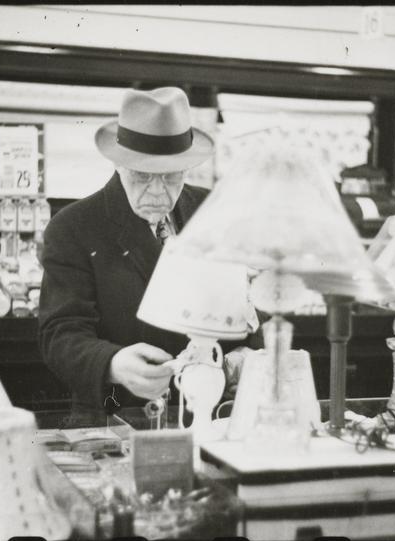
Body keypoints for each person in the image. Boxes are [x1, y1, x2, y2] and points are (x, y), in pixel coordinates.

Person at [38, 87, 253, 414]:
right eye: (142, 176)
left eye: (170, 177)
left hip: (210, 408)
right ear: (118, 163)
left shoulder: (211, 211)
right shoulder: (73, 227)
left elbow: (246, 302)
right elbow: (60, 334)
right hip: (117, 412)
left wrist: (245, 353)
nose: (156, 192)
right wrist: (112, 363)